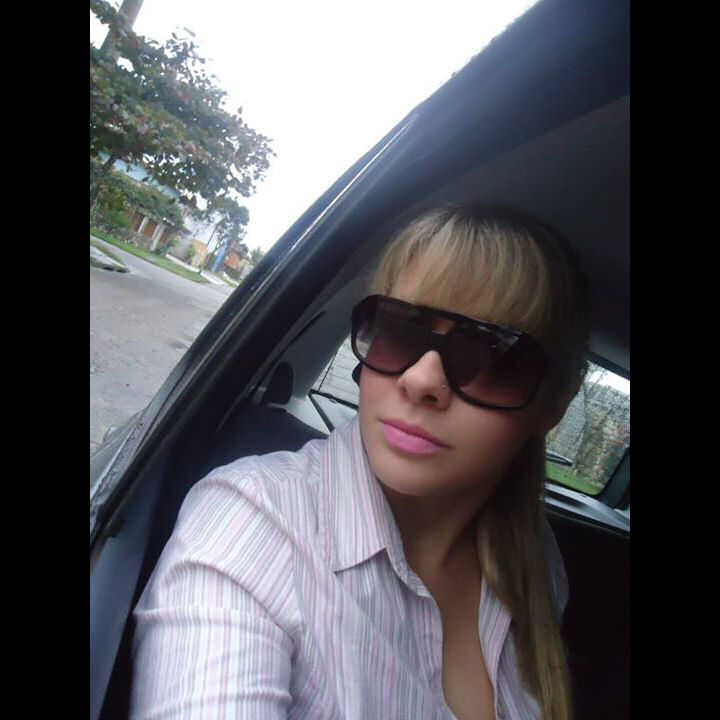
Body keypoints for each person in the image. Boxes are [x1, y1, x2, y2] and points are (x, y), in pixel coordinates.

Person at [130, 205, 590, 720]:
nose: (419, 380)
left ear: (554, 404)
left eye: (492, 354)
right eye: (400, 331)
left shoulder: (537, 561)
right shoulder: (252, 525)